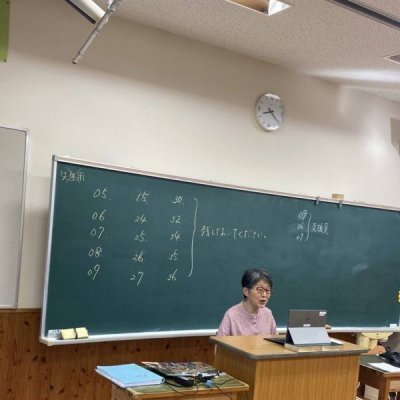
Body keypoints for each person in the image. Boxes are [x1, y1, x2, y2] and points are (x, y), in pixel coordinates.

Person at [217, 268, 277, 336]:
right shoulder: (231, 316)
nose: (264, 295)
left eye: (268, 290)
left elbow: (275, 340)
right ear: (246, 291)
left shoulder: (268, 314)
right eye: (260, 290)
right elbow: (219, 342)